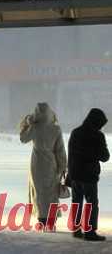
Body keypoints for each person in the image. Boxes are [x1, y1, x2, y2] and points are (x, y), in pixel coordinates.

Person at [20, 103, 67, 232]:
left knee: (39, 194)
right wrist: (63, 166)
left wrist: (29, 123)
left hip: (37, 165)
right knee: (51, 194)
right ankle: (52, 222)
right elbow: (60, 150)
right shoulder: (56, 129)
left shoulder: (35, 128)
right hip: (52, 165)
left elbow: (23, 139)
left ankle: (41, 222)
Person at [68, 108, 110, 241]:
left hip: (75, 174)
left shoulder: (75, 132)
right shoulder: (97, 136)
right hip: (89, 176)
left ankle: (76, 229)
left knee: (76, 202)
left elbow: (71, 155)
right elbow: (105, 157)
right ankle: (90, 231)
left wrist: (70, 173)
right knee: (91, 203)